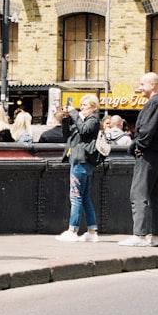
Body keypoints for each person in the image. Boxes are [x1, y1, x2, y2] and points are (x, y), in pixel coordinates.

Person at [119, 72, 158, 248]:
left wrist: (137, 147)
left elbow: (146, 132)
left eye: (142, 84)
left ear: (152, 85)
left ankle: (139, 234)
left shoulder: (153, 104)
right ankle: (155, 235)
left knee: (138, 193)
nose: (139, 87)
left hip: (148, 155)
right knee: (156, 195)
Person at [55, 95, 101, 243]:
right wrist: (66, 119)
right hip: (80, 160)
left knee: (76, 196)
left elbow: (84, 131)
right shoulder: (82, 119)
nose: (82, 107)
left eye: (85, 105)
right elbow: (67, 134)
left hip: (81, 161)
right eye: (81, 104)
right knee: (85, 197)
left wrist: (74, 113)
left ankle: (72, 230)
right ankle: (92, 231)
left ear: (94, 107)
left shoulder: (93, 120)